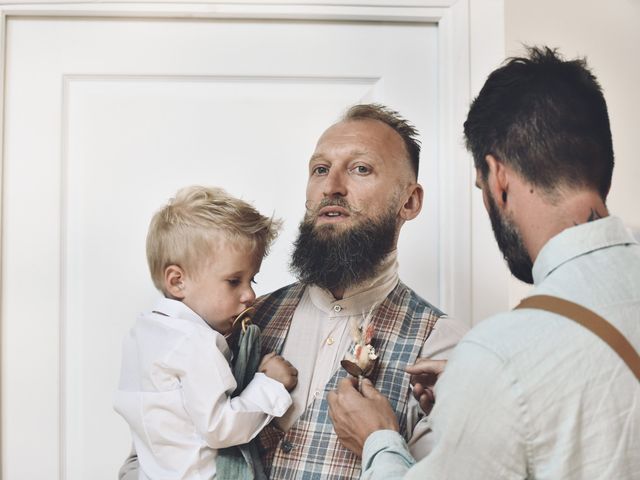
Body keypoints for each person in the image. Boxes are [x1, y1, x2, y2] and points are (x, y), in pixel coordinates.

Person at [327, 46, 640, 479]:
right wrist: (483, 392)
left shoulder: (500, 354)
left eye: (480, 186)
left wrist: (377, 439)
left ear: (498, 176)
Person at [119, 104, 467, 479]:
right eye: (320, 170)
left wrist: (380, 441)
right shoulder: (236, 320)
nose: (331, 187)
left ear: (409, 201)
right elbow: (150, 454)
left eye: (360, 168)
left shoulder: (443, 350)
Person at [114, 185, 298, 479]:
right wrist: (270, 385)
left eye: (252, 279)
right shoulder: (193, 341)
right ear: (177, 282)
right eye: (233, 281)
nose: (250, 295)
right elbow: (220, 428)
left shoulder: (143, 333)